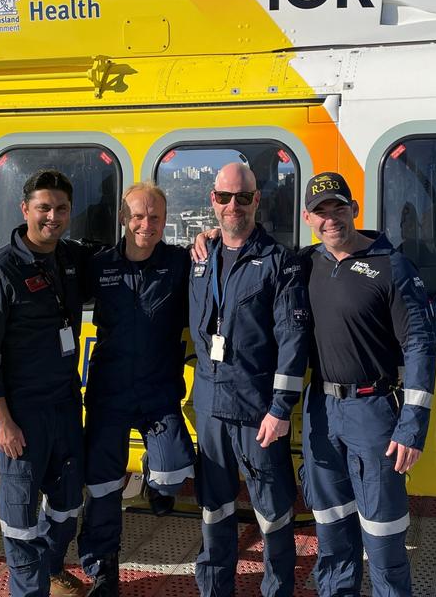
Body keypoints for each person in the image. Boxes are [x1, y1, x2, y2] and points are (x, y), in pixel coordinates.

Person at [299, 171, 436, 596]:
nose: (331, 219)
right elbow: (249, 254)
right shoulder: (306, 263)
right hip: (320, 412)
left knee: (383, 537)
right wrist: (208, 238)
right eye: (321, 212)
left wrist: (412, 426)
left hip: (373, 413)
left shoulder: (391, 266)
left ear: (354, 210)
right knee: (331, 532)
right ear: (308, 218)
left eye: (338, 208)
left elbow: (420, 344)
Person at [0, 169, 95, 597]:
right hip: (21, 413)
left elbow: (125, 259)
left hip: (64, 406)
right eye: (43, 208)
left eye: (61, 209)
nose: (52, 217)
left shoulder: (70, 259)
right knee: (19, 520)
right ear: (25, 209)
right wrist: (1, 420)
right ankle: (29, 589)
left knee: (67, 507)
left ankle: (50, 569)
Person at [188, 162, 309, 597]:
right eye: (224, 197)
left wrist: (280, 409)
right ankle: (213, 589)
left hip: (258, 412)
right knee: (213, 509)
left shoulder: (279, 262)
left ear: (257, 199)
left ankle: (276, 591)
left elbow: (293, 340)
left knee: (274, 514)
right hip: (210, 410)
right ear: (213, 201)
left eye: (242, 197)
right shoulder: (199, 259)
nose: (232, 205)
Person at [77, 182, 196, 597]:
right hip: (109, 392)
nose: (147, 224)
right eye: (139, 216)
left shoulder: (180, 263)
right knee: (104, 485)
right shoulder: (100, 265)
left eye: (156, 217)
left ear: (165, 221)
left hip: (159, 392)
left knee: (175, 470)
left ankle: (156, 484)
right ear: (124, 220)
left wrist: (211, 236)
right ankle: (103, 569)